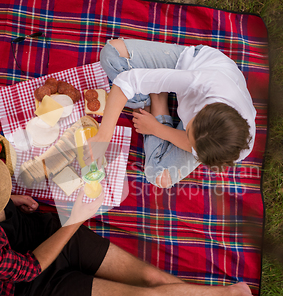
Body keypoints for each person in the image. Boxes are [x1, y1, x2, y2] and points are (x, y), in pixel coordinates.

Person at [0, 151, 273, 296]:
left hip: (41, 232)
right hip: (30, 285)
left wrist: (11, 198)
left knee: (150, 277)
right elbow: (31, 267)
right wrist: (76, 217)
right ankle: (234, 293)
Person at [86, 39, 256, 188]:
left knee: (159, 176)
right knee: (112, 54)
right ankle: (156, 95)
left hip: (200, 121)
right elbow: (126, 82)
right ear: (200, 109)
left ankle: (156, 100)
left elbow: (192, 144)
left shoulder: (235, 147)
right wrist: (103, 136)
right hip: (193, 64)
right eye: (189, 133)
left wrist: (156, 128)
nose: (190, 143)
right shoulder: (198, 82)